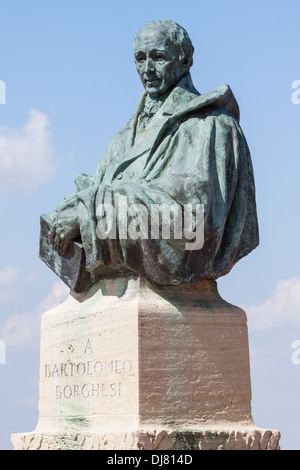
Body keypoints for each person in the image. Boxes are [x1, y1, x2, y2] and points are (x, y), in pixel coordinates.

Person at [40, 19, 259, 292]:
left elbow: (196, 219)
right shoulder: (122, 139)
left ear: (185, 60)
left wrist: (92, 212)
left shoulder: (212, 125)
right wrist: (77, 207)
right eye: (140, 59)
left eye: (158, 57)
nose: (147, 70)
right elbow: (102, 186)